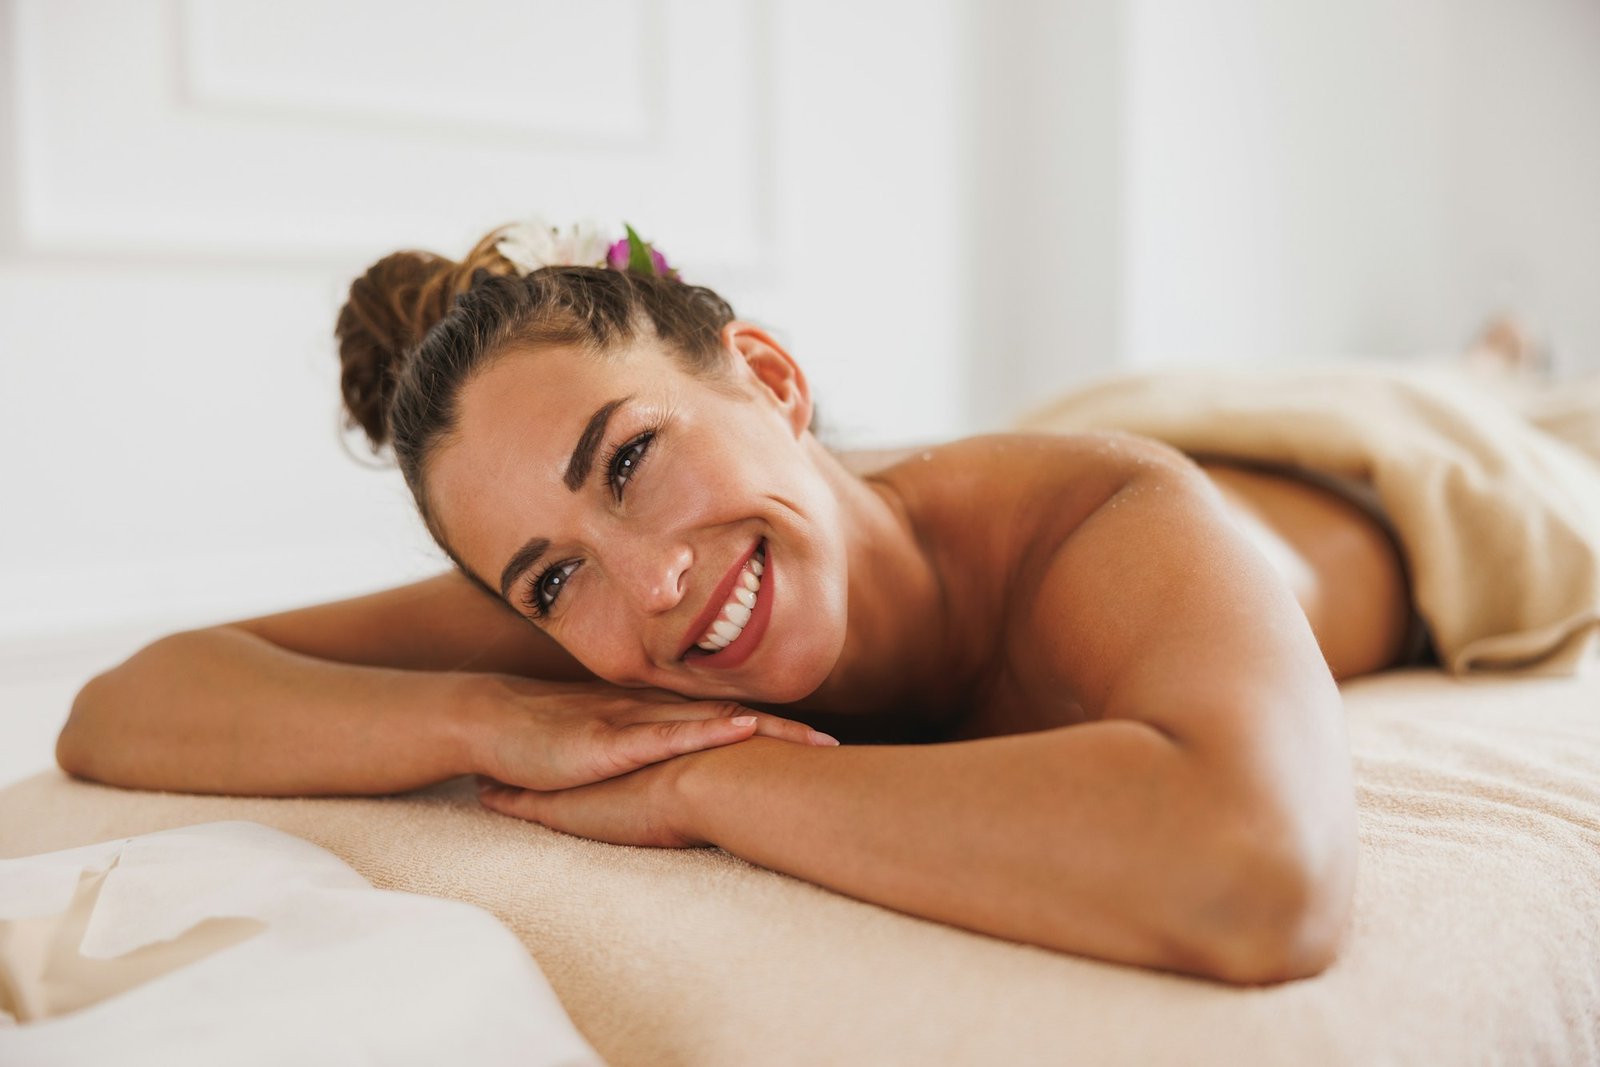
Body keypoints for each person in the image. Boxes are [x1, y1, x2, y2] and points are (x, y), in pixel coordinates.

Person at [57, 220, 1430, 987]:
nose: (648, 581)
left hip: (1365, 474)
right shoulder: (594, 606)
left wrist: (702, 796)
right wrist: (492, 722)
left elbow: (1258, 876)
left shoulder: (1107, 520)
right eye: (549, 577)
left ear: (769, 375)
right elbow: (131, 704)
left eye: (634, 458)